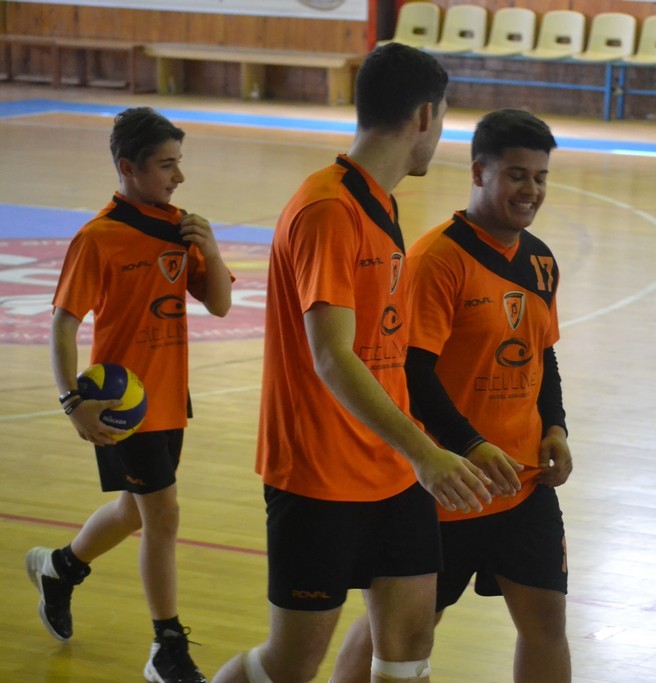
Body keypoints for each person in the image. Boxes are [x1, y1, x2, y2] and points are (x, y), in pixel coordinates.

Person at [210, 43, 491, 683]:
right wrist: (426, 451)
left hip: (391, 469)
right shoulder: (328, 209)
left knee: (409, 641)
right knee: (291, 663)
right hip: (319, 472)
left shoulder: (378, 201)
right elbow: (333, 358)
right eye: (443, 119)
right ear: (425, 115)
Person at [332, 108, 573, 683]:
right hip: (447, 487)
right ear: (479, 172)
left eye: (540, 177)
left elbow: (541, 354)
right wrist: (467, 444)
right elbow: (411, 373)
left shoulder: (539, 260)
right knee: (398, 631)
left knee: (546, 623)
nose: (531, 190)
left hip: (521, 484)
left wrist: (556, 427)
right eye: (517, 175)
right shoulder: (436, 259)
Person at [26, 106, 233, 683]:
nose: (179, 176)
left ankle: (61, 569)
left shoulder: (180, 228)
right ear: (128, 167)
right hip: (122, 407)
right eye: (166, 165)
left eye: (179, 163)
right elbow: (63, 325)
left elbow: (219, 304)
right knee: (162, 515)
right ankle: (166, 646)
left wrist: (212, 251)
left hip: (168, 401)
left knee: (133, 511)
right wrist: (72, 401)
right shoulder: (98, 238)